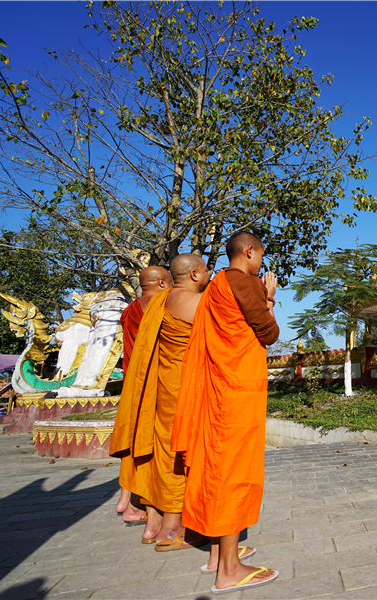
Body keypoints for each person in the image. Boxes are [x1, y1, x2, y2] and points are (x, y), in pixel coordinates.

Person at [172, 232, 279, 594]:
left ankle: (219, 555)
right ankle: (229, 570)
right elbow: (269, 333)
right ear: (249, 251)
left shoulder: (217, 283)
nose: (261, 263)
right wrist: (269, 297)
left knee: (216, 464)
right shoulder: (244, 283)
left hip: (217, 388)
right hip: (235, 391)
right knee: (233, 469)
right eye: (260, 256)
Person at [110, 255, 210, 549]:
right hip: (177, 384)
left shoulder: (137, 309)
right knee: (176, 453)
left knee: (151, 451)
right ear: (165, 282)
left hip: (143, 384)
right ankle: (172, 526)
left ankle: (151, 522)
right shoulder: (184, 302)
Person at [114, 266, 172, 530]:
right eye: (171, 283)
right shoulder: (162, 304)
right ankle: (143, 508)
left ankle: (127, 501)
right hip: (154, 383)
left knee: (133, 441)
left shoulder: (130, 309)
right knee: (150, 445)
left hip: (131, 382)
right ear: (161, 283)